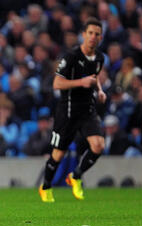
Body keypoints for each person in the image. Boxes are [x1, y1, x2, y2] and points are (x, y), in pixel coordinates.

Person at [38, 17, 107, 202]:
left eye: (97, 34)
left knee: (98, 145)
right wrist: (81, 82)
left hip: (88, 110)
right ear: (84, 35)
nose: (93, 37)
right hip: (68, 112)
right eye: (90, 33)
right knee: (58, 154)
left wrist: (100, 91)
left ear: (100, 37)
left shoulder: (100, 58)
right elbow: (57, 83)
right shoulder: (71, 57)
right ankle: (45, 186)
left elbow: (95, 76)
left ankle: (75, 176)